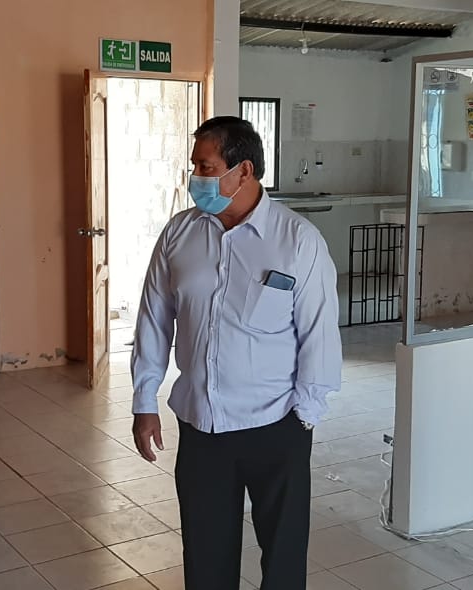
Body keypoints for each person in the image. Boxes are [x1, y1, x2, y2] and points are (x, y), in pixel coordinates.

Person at [130, 116, 341, 589]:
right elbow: (153, 320)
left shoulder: (297, 241)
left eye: (205, 167)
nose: (195, 178)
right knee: (205, 555)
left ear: (243, 170)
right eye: (194, 167)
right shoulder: (179, 234)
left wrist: (303, 418)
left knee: (283, 557)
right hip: (202, 427)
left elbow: (319, 335)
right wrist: (144, 401)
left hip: (276, 425)